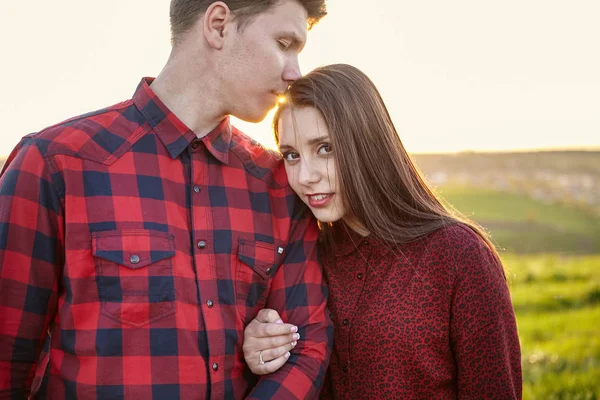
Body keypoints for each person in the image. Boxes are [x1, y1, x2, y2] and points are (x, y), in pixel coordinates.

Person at [0, 1, 334, 399]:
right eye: (284, 42)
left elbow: (308, 344)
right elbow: (8, 360)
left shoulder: (279, 184)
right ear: (219, 25)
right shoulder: (57, 163)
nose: (294, 72)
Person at [242, 64, 523, 399]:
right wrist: (260, 347)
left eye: (325, 148)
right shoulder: (304, 255)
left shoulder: (458, 255)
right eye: (291, 155)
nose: (306, 176)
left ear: (367, 143)